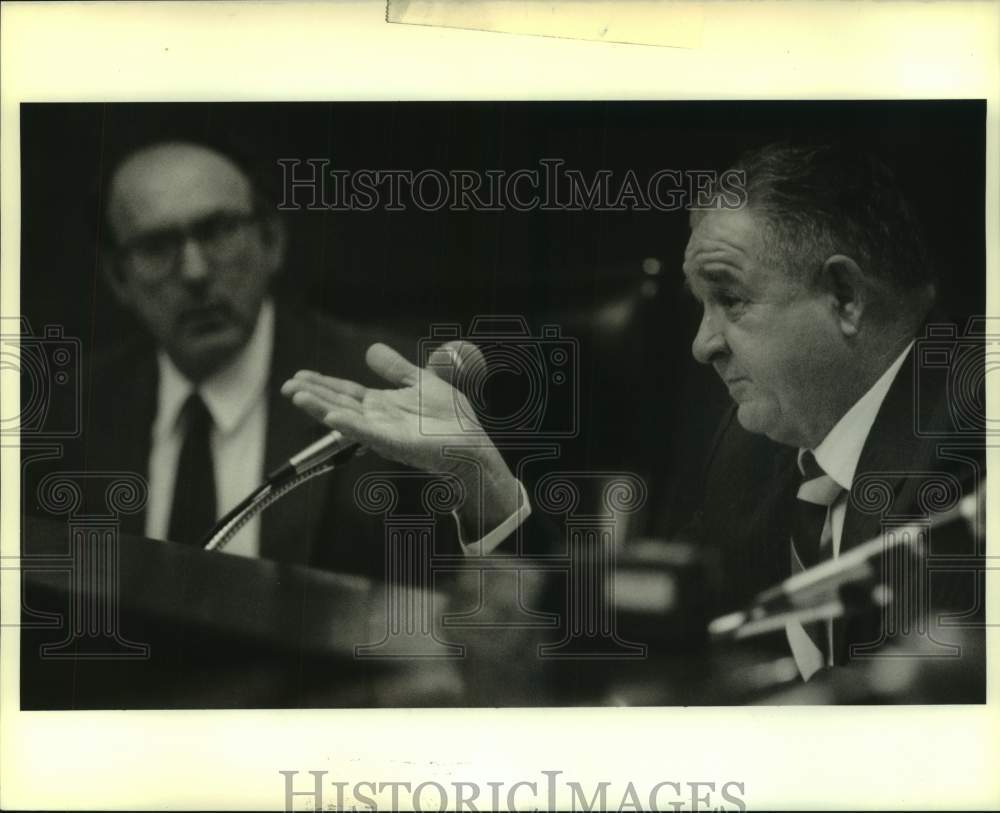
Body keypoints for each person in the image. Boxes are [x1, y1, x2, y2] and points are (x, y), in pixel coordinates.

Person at [281, 143, 984, 685]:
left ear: (845, 297)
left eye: (730, 299)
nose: (701, 342)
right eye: (698, 306)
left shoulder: (973, 440)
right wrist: (482, 478)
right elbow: (639, 649)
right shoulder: (753, 454)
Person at [25, 140, 513, 578]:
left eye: (217, 231)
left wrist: (483, 486)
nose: (194, 272)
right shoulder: (63, 415)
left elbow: (529, 594)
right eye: (156, 247)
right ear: (117, 278)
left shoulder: (396, 392)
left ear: (271, 243)